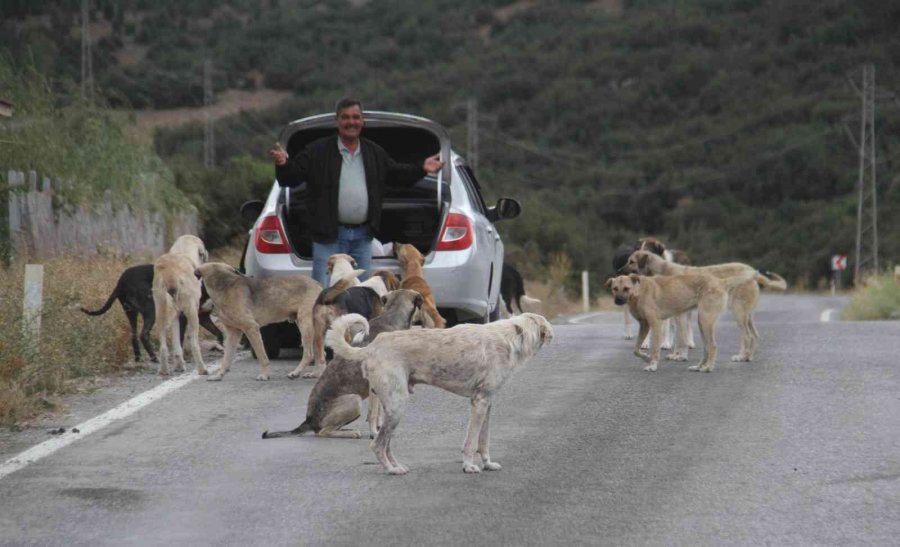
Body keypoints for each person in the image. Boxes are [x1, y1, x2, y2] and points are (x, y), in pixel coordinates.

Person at [269, 98, 443, 287]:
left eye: (355, 117)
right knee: (324, 292)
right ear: (337, 121)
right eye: (345, 117)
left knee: (361, 293)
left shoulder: (374, 152)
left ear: (362, 122)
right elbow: (291, 178)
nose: (351, 122)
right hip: (328, 237)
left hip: (363, 237)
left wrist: (422, 168)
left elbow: (397, 175)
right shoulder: (317, 151)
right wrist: (283, 165)